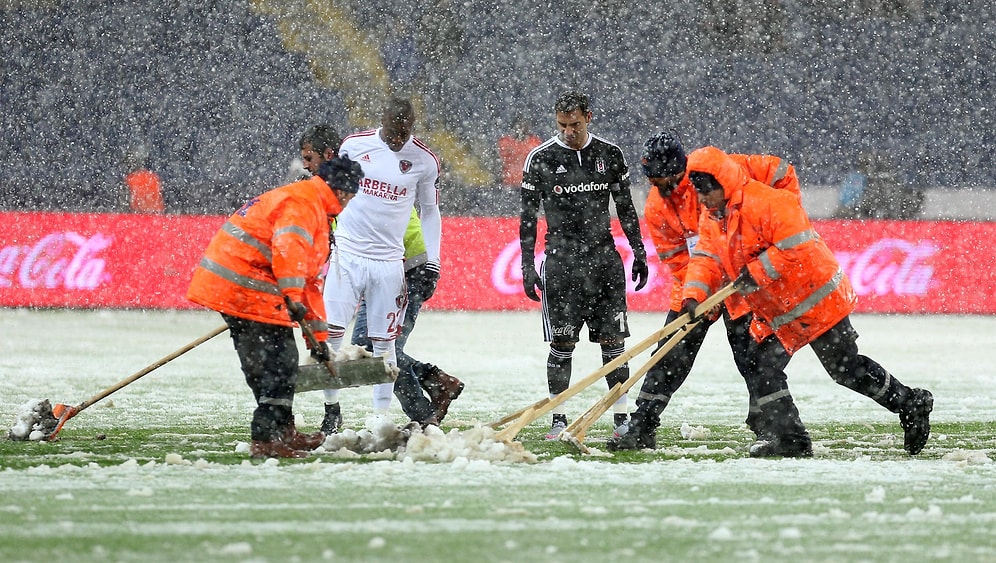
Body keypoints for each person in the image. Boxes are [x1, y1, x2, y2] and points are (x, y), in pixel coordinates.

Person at [680, 146, 933, 457]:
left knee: (845, 370)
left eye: (706, 191)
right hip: (776, 308)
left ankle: (910, 402)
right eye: (698, 192)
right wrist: (693, 295)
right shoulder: (712, 219)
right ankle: (790, 440)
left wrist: (755, 273)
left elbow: (796, 246)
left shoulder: (768, 203)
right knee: (760, 366)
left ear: (724, 183)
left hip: (816, 300)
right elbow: (705, 257)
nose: (702, 200)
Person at [608, 133, 800, 451]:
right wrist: (695, 299)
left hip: (745, 282)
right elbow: (679, 262)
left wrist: (784, 215)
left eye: (668, 182)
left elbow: (782, 172)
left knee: (752, 358)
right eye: (655, 183)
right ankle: (643, 424)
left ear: (682, 169)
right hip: (700, 286)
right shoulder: (657, 207)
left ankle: (769, 426)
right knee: (669, 353)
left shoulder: (720, 170)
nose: (663, 190)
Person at [186, 156, 364, 459]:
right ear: (344, 192)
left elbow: (310, 285)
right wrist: (292, 295)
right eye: (351, 196)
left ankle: (281, 429)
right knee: (278, 362)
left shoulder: (314, 205)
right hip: (245, 286)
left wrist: (318, 341)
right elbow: (289, 250)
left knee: (271, 361)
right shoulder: (305, 204)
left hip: (242, 285)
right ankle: (268, 438)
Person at [296, 124, 461, 431]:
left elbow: (408, 227)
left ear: (330, 155)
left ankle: (424, 411)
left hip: (408, 268)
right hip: (373, 264)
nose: (306, 165)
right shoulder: (332, 187)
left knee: (376, 345)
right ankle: (435, 383)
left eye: (310, 158)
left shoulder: (359, 186)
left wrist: (427, 266)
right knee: (371, 344)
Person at [519, 90, 649, 440]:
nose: (568, 131)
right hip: (562, 264)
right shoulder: (541, 158)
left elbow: (625, 208)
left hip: (604, 261)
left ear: (588, 117)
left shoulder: (610, 154)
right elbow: (528, 217)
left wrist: (639, 251)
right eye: (562, 125)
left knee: (613, 343)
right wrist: (528, 266)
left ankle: (621, 419)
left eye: (574, 124)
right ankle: (558, 418)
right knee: (562, 345)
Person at [321, 97, 443, 430]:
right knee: (332, 335)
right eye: (392, 130)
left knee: (384, 345)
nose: (397, 139)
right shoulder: (355, 146)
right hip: (348, 256)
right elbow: (332, 193)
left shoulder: (424, 160)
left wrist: (433, 260)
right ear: (382, 121)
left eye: (403, 132)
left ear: (412, 125)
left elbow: (431, 212)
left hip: (389, 264)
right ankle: (331, 412)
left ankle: (381, 420)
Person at [497, 117, 542, 189]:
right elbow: (498, 163)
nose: (522, 128)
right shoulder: (505, 142)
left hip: (528, 184)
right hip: (509, 183)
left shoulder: (535, 142)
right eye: (520, 125)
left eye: (525, 125)